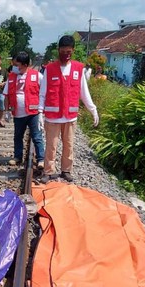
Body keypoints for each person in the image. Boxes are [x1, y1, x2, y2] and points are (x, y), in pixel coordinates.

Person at [39, 35, 99, 183]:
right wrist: (40, 112)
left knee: (69, 145)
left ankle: (66, 170)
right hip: (53, 116)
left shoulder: (78, 69)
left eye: (69, 51)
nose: (66, 54)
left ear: (72, 51)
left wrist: (93, 109)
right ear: (58, 50)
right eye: (64, 51)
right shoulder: (50, 69)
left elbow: (84, 92)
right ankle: (48, 171)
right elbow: (43, 93)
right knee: (51, 145)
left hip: (70, 116)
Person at [4, 52, 45, 169]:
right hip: (18, 113)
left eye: (17, 65)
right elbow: (6, 95)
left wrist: (42, 111)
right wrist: (6, 111)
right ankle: (17, 157)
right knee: (17, 136)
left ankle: (41, 159)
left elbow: (44, 93)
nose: (14, 67)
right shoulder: (11, 76)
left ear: (25, 64)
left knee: (37, 136)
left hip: (33, 113)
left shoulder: (37, 76)